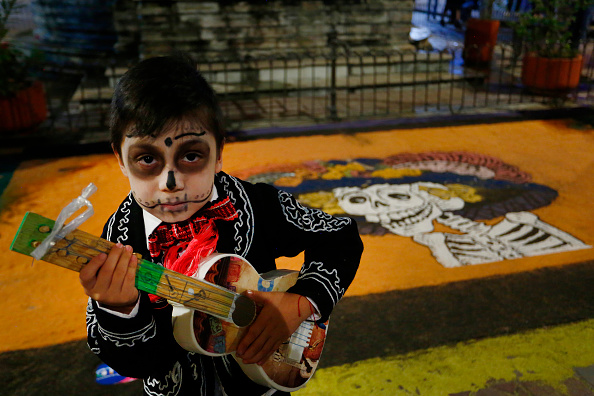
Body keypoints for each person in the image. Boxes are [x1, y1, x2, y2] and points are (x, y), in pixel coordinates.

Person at [78, 53, 363, 396]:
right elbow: (136, 363)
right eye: (148, 158)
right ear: (120, 160)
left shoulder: (257, 206)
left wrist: (301, 303)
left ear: (219, 153)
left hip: (262, 382)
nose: (171, 181)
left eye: (191, 155)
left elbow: (339, 237)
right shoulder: (118, 247)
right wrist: (120, 310)